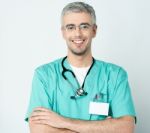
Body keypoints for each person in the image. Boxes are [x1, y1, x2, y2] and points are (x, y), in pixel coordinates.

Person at [25, 1, 136, 133]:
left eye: (84, 26)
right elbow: (38, 130)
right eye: (71, 27)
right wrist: (103, 128)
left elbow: (126, 128)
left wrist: (62, 122)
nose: (77, 34)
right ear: (63, 32)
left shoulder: (115, 75)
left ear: (94, 30)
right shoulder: (44, 75)